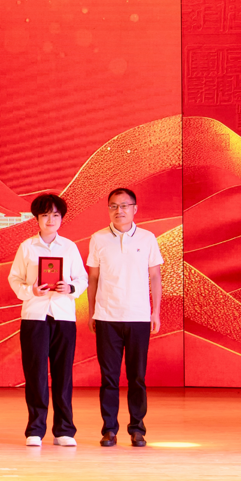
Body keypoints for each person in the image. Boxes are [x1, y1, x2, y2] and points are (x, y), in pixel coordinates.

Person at [8, 192, 88, 448]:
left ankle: (64, 430)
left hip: (63, 316)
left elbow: (82, 279)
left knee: (63, 374)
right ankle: (35, 429)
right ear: (37, 218)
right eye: (45, 215)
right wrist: (31, 290)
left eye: (55, 215)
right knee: (36, 374)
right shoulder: (27, 247)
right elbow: (14, 279)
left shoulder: (69, 247)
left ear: (61, 218)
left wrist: (70, 288)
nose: (50, 220)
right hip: (35, 316)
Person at [86, 186, 164, 448]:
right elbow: (93, 278)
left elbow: (155, 276)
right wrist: (92, 311)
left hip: (139, 317)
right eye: (113, 206)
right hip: (107, 316)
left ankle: (137, 428)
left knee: (137, 377)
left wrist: (155, 312)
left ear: (134, 209)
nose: (119, 211)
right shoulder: (98, 239)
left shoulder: (147, 238)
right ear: (108, 209)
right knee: (108, 377)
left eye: (124, 206)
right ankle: (109, 429)